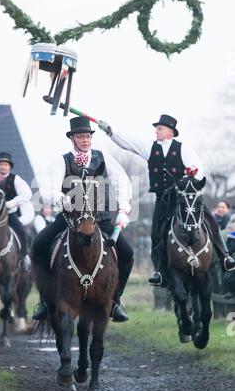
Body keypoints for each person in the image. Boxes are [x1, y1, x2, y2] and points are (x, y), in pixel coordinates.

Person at [98, 114, 235, 286]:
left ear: (170, 132)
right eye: (157, 128)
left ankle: (225, 257)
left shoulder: (183, 149)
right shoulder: (151, 147)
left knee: (209, 222)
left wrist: (186, 181)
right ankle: (160, 271)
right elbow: (130, 143)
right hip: (162, 199)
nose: (156, 130)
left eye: (160, 128)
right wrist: (111, 131)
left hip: (184, 197)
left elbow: (197, 170)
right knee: (156, 234)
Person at [32, 116, 134, 322]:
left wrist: (124, 208)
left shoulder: (103, 158)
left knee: (128, 253)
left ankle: (116, 301)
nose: (85, 140)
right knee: (38, 246)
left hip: (100, 217)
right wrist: (63, 200)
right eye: (81, 136)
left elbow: (121, 182)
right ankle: (44, 300)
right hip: (69, 217)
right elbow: (47, 190)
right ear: (72, 139)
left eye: (88, 136)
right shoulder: (61, 161)